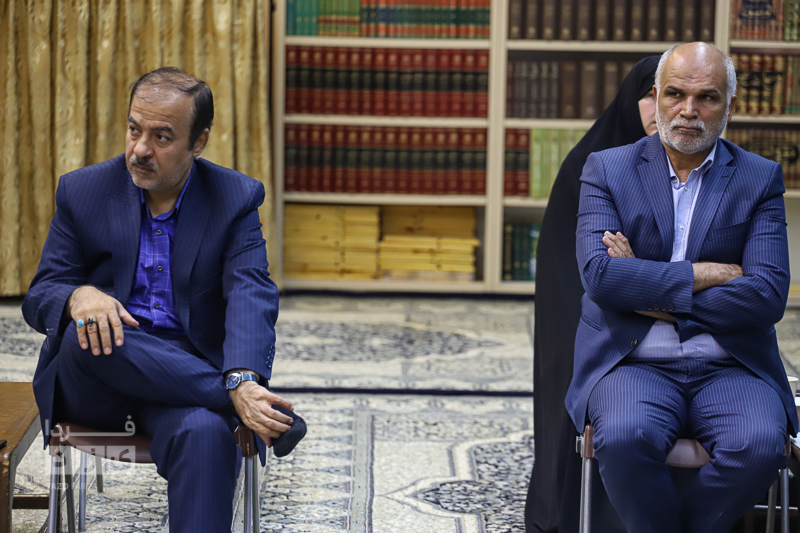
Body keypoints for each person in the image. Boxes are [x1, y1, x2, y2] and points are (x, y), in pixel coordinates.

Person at [22, 67, 293, 532]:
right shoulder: (83, 190)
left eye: (162, 137)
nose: (140, 149)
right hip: (98, 385)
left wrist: (245, 372)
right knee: (87, 332)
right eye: (134, 130)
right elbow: (42, 292)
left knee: (207, 433)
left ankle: (228, 396)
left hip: (179, 388)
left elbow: (250, 291)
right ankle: (233, 396)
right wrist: (80, 295)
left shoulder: (234, 198)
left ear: (198, 142)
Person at [566, 42, 798, 532]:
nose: (688, 110)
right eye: (675, 94)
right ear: (656, 96)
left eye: (707, 97)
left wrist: (647, 287)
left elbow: (767, 296)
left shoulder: (759, 178)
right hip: (632, 361)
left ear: (729, 106)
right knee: (624, 437)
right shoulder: (607, 169)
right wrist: (707, 273)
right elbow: (602, 278)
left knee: (759, 446)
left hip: (731, 364)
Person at [524, 55, 659, 533]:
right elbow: (593, 272)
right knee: (586, 370)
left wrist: (640, 274)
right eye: (650, 95)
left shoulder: (692, 168)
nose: (662, 109)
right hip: (581, 305)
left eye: (672, 95)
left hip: (657, 314)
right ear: (629, 100)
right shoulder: (592, 165)